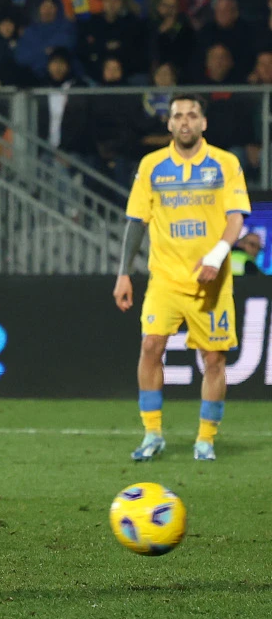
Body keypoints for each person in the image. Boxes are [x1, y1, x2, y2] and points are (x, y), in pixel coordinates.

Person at [113, 93, 250, 462]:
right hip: (165, 279)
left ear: (203, 123)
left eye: (192, 115)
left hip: (212, 282)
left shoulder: (225, 163)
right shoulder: (152, 165)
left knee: (214, 359)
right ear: (169, 124)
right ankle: (152, 433)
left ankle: (205, 438)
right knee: (150, 347)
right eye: (178, 116)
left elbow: (236, 217)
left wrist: (218, 255)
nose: (185, 121)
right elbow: (136, 222)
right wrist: (123, 272)